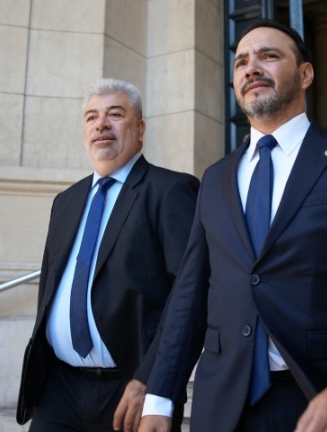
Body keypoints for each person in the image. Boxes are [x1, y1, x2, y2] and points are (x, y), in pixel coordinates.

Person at [139, 19, 327, 432]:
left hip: (325, 396)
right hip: (223, 405)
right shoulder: (215, 178)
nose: (251, 68)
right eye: (241, 63)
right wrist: (159, 397)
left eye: (268, 56)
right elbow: (190, 294)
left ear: (306, 74)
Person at [16, 78, 199, 432]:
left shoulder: (170, 191)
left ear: (140, 130)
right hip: (60, 388)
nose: (101, 124)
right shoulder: (65, 202)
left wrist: (152, 381)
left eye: (115, 114)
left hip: (131, 388)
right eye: (91, 117)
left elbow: (189, 298)